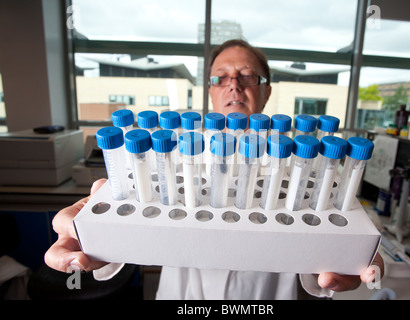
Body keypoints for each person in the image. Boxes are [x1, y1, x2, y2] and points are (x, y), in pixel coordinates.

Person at [45, 39, 384, 299]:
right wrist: (98, 239)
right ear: (210, 91)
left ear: (266, 91)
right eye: (221, 78)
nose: (234, 84)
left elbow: (336, 222)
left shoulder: (310, 162)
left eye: (248, 76)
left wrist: (358, 254)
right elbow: (135, 221)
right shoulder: (172, 151)